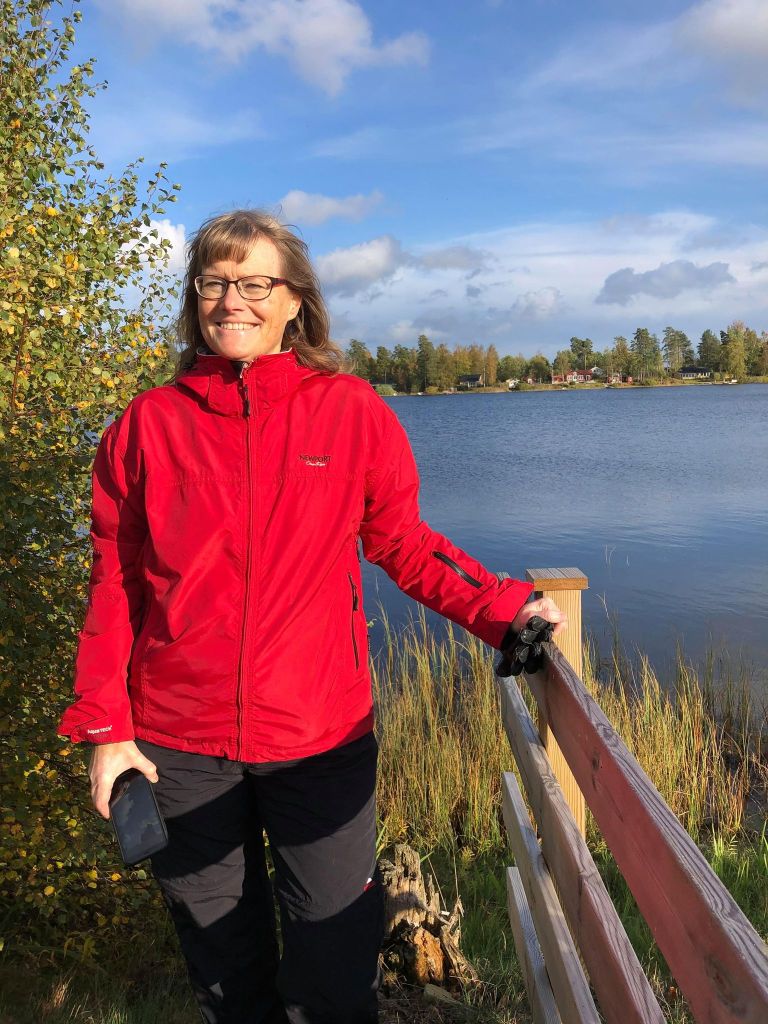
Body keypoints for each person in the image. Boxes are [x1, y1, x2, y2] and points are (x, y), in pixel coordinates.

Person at [59, 209, 565, 1024]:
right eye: (214, 282)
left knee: (334, 966)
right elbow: (114, 584)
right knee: (225, 971)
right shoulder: (147, 426)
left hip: (319, 734)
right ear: (195, 297)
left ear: (296, 300)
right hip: (178, 742)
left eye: (255, 283)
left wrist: (501, 609)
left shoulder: (350, 410)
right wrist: (104, 730)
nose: (232, 301)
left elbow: (402, 542)